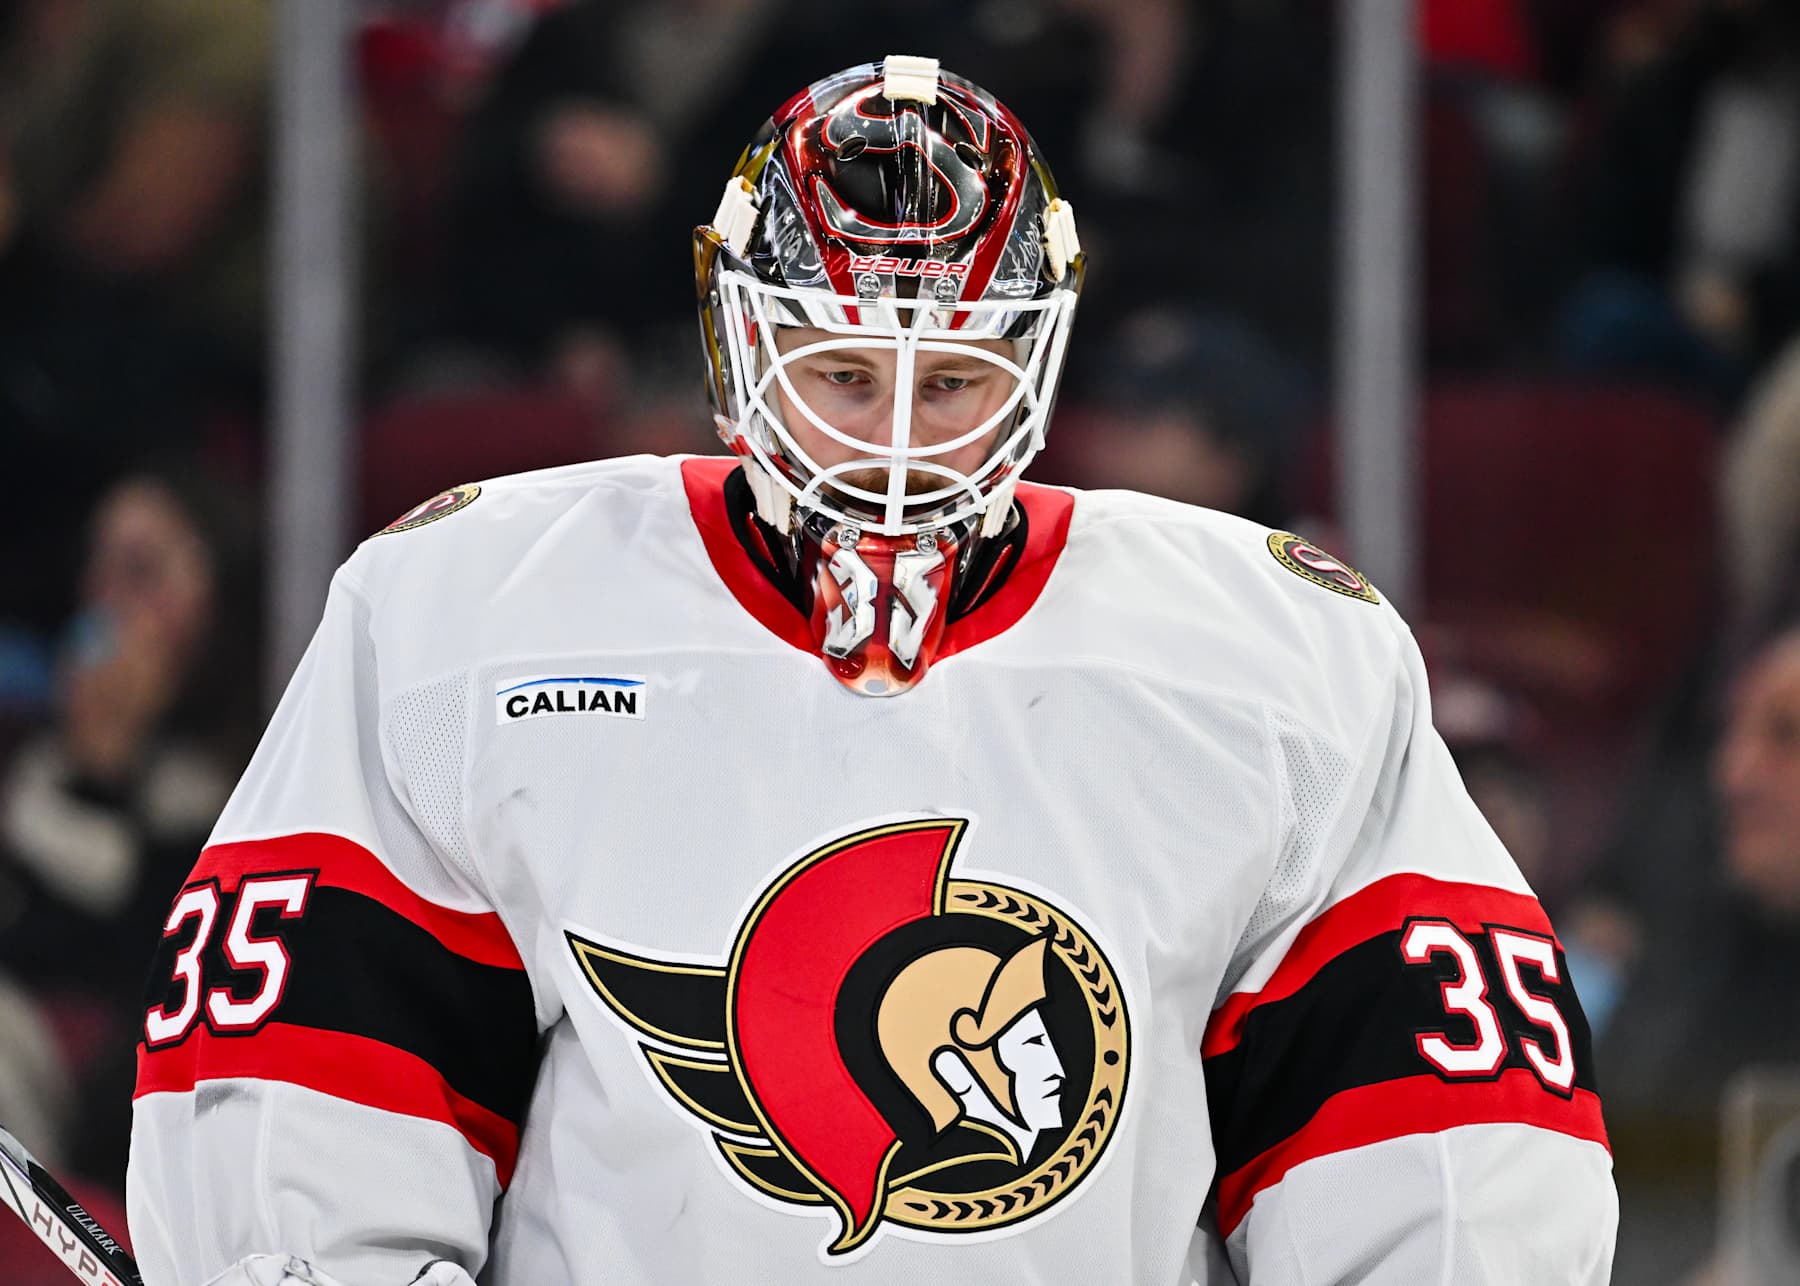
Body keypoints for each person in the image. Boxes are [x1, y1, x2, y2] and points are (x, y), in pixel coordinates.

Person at [126, 57, 1617, 1286]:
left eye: (954, 377)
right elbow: (300, 1105)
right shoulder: (462, 616)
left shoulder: (1281, 667)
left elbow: (1450, 1156)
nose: (896, 440)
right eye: (844, 372)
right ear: (739, 343)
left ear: (1037, 362)